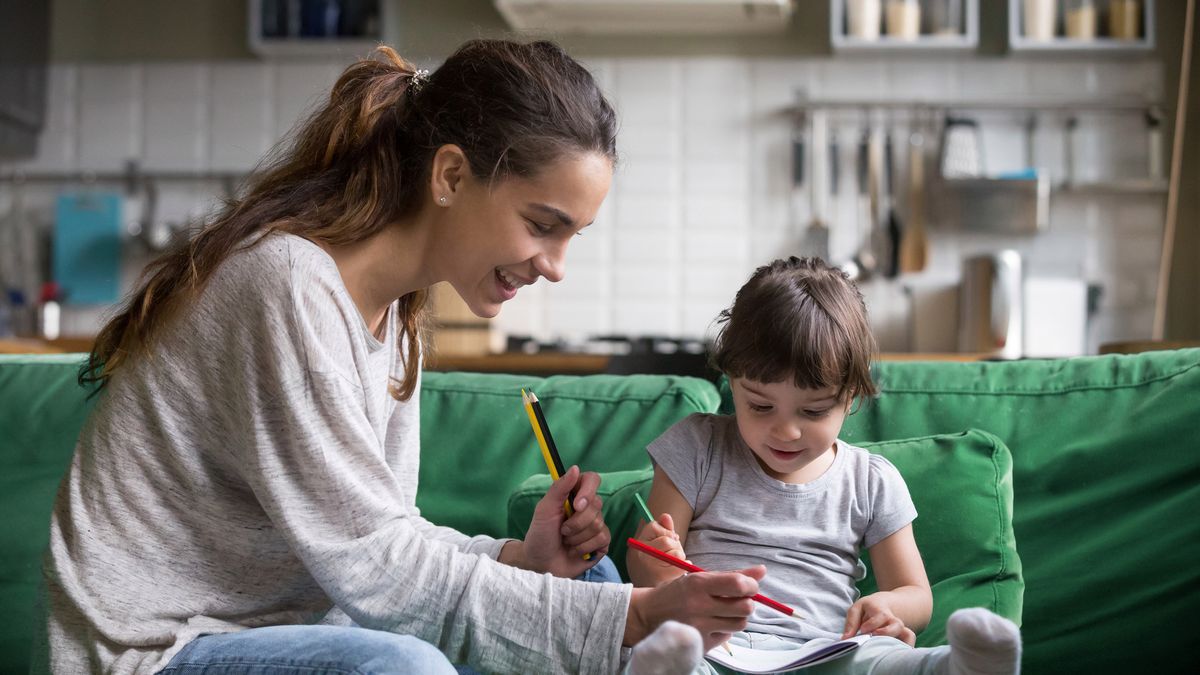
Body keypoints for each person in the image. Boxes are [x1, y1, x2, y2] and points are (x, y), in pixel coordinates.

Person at [37, 40, 766, 675]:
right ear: (450, 176)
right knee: (403, 665)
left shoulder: (400, 317)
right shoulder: (287, 284)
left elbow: (386, 534)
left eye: (573, 235)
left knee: (593, 579)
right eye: (543, 225)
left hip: (302, 634)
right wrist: (634, 619)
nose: (556, 265)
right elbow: (374, 566)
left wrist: (520, 559)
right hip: (160, 651)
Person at [626, 257, 1023, 674]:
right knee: (669, 649)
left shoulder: (871, 481)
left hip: (824, 652)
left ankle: (961, 668)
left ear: (850, 397)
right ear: (733, 382)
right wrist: (659, 568)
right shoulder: (697, 446)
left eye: (813, 412)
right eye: (760, 406)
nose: (786, 431)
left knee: (885, 660)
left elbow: (916, 595)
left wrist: (888, 606)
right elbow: (647, 568)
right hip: (710, 646)